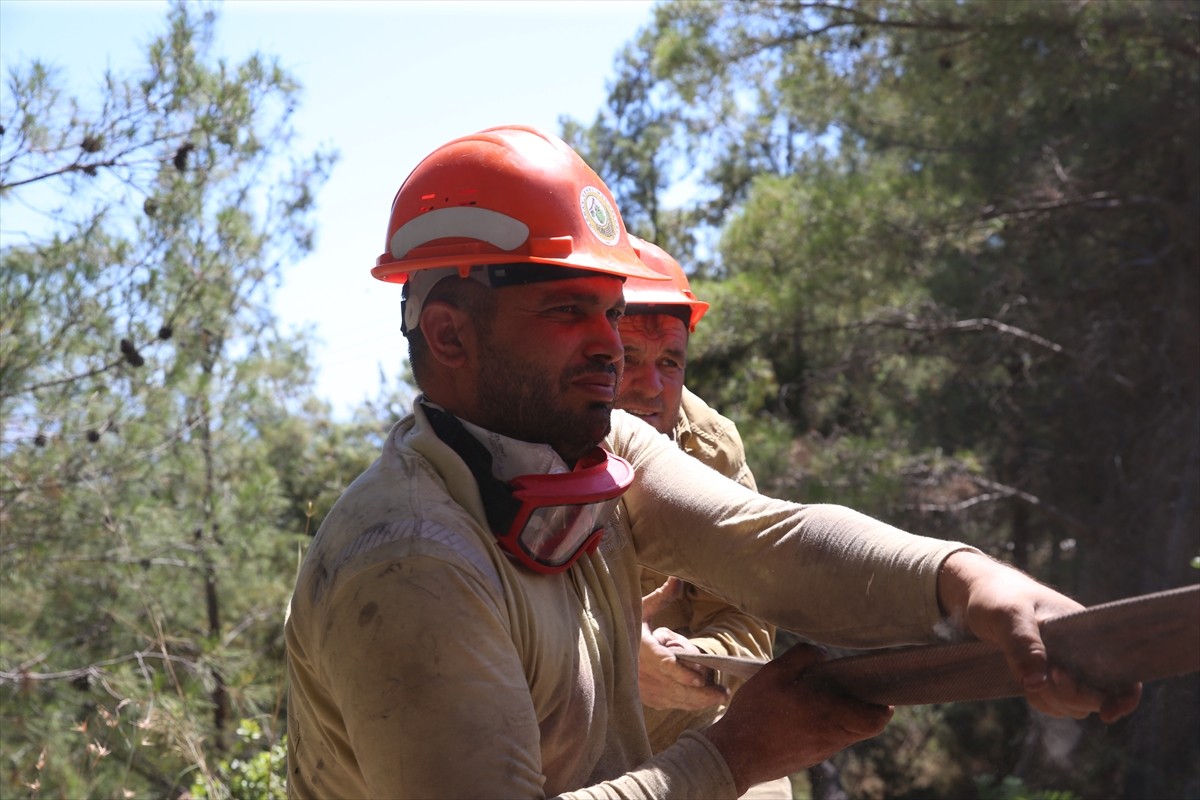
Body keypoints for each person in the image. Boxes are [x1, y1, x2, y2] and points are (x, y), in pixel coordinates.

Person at [283, 125, 1140, 800]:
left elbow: (772, 544)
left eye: (609, 311)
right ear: (449, 332)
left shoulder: (592, 452)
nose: (608, 348)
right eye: (564, 311)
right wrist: (736, 754)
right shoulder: (410, 562)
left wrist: (969, 584)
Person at [618, 236, 790, 799]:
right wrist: (615, 651)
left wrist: (691, 662)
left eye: (670, 361)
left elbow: (748, 625)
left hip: (681, 730)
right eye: (626, 360)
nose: (651, 386)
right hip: (558, 730)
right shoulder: (528, 435)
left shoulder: (712, 448)